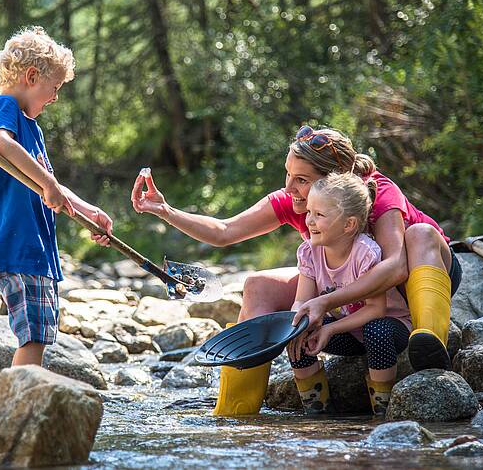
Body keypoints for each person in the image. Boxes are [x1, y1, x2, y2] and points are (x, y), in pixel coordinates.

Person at [131, 125, 462, 415]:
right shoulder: (295, 200)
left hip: (418, 276)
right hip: (347, 281)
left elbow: (396, 268)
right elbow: (224, 231)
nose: (289, 187)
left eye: (301, 179)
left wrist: (325, 305)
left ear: (336, 179)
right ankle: (236, 411)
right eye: (287, 174)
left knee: (419, 234)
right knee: (258, 284)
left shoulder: (378, 192)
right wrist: (165, 210)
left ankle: (429, 342)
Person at [0, 26, 113, 367]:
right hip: (19, 246)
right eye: (53, 89)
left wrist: (90, 211)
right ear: (32, 75)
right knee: (34, 337)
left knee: (39, 334)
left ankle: (19, 403)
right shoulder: (3, 106)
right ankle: (18, 408)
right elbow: (0, 144)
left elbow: (51, 185)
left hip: (37, 249)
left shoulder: (33, 129)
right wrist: (48, 185)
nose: (54, 98)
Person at [285, 172, 411, 416]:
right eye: (309, 212)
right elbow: (302, 300)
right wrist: (295, 325)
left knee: (378, 330)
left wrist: (330, 328)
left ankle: (382, 410)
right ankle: (317, 411)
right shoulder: (310, 252)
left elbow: (376, 310)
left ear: (349, 224)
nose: (309, 221)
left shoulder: (365, 253)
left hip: (389, 327)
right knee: (299, 335)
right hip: (350, 331)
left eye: (319, 215)